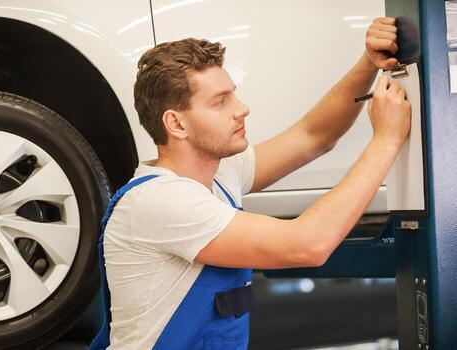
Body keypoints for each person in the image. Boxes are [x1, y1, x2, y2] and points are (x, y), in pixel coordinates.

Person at [89, 16, 411, 350]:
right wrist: (386, 141)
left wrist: (368, 64)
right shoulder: (160, 201)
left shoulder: (217, 174)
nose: (242, 109)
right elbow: (308, 244)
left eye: (234, 95)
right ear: (176, 124)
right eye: (220, 101)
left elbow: (314, 135)